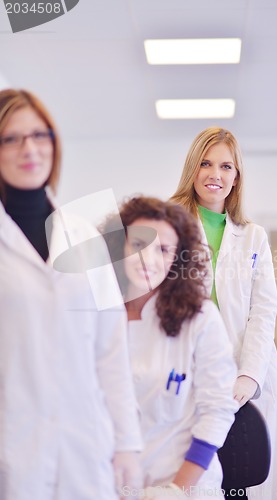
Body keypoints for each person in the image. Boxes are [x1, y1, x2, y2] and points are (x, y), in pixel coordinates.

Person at [0, 88, 143, 500]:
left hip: (85, 446)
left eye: (40, 135)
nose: (30, 148)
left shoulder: (87, 237)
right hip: (13, 445)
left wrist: (128, 444)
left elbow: (110, 353)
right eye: (11, 138)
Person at [170, 127, 277, 500]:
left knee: (249, 481)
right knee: (197, 479)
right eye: (206, 164)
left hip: (248, 378)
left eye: (226, 166)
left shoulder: (253, 236)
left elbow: (264, 310)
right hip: (193, 374)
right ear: (192, 169)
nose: (215, 175)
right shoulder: (169, 229)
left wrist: (249, 376)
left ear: (237, 177)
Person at [101, 196, 239, 500]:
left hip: (182, 485)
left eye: (163, 249)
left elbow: (217, 410)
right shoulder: (97, 318)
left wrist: (176, 490)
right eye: (138, 244)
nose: (147, 259)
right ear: (117, 248)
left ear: (178, 257)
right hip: (108, 484)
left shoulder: (201, 319)